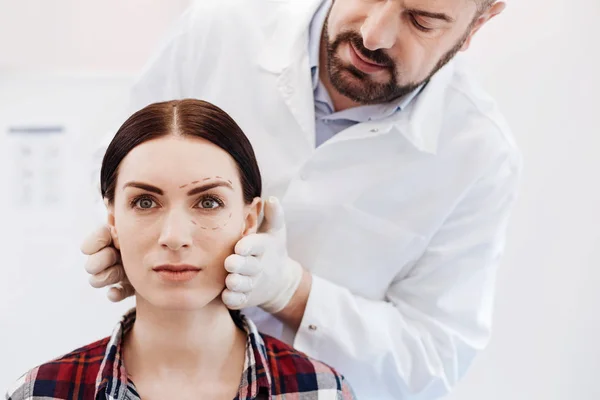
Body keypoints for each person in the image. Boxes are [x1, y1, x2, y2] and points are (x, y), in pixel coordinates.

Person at [81, 0, 523, 398]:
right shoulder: (218, 30)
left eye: (421, 20)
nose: (374, 34)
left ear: (479, 22)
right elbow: (123, 162)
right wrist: (128, 238)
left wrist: (293, 293)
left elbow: (431, 361)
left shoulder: (477, 152)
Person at [6, 99, 356, 400]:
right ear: (112, 220)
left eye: (208, 202)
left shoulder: (321, 391)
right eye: (145, 202)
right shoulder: (41, 392)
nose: (174, 237)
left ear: (250, 221)